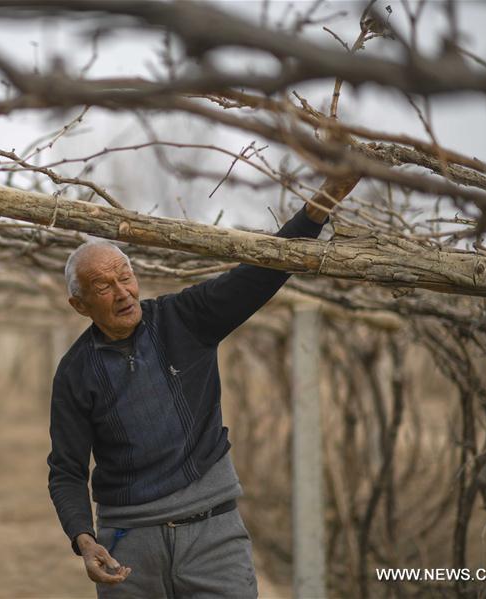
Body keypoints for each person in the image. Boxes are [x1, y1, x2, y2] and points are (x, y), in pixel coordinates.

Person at [47, 176, 360, 598]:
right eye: (104, 287)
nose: (122, 293)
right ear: (79, 305)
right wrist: (83, 538)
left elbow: (259, 275)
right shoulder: (75, 372)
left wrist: (319, 206)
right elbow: (66, 469)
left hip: (212, 532)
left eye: (126, 276)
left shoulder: (183, 319)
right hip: (128, 542)